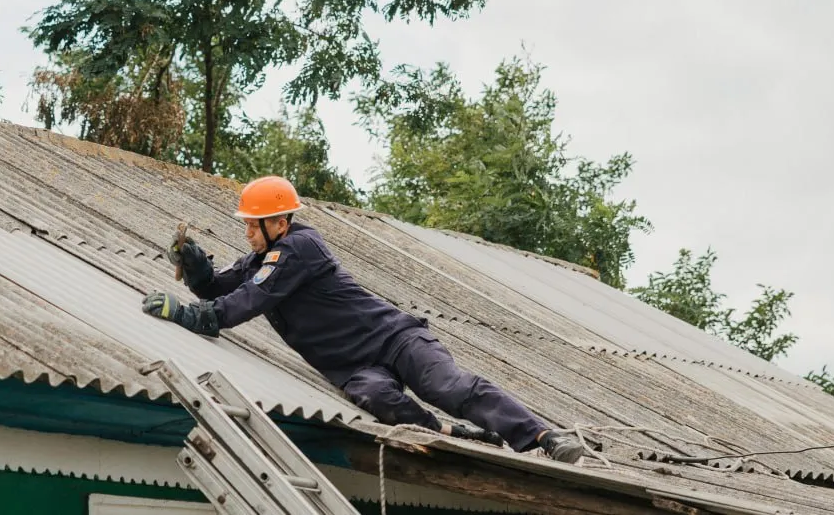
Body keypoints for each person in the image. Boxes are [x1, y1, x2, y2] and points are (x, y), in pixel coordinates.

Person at [141, 175, 585, 463]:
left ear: (280, 222)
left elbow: (246, 302)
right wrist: (197, 269)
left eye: (255, 224)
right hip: (353, 369)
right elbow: (222, 290)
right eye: (247, 225)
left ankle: (544, 437)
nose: (247, 232)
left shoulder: (299, 248)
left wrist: (190, 315)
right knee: (385, 403)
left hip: (393, 339)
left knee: (448, 387)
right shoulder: (262, 256)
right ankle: (460, 434)